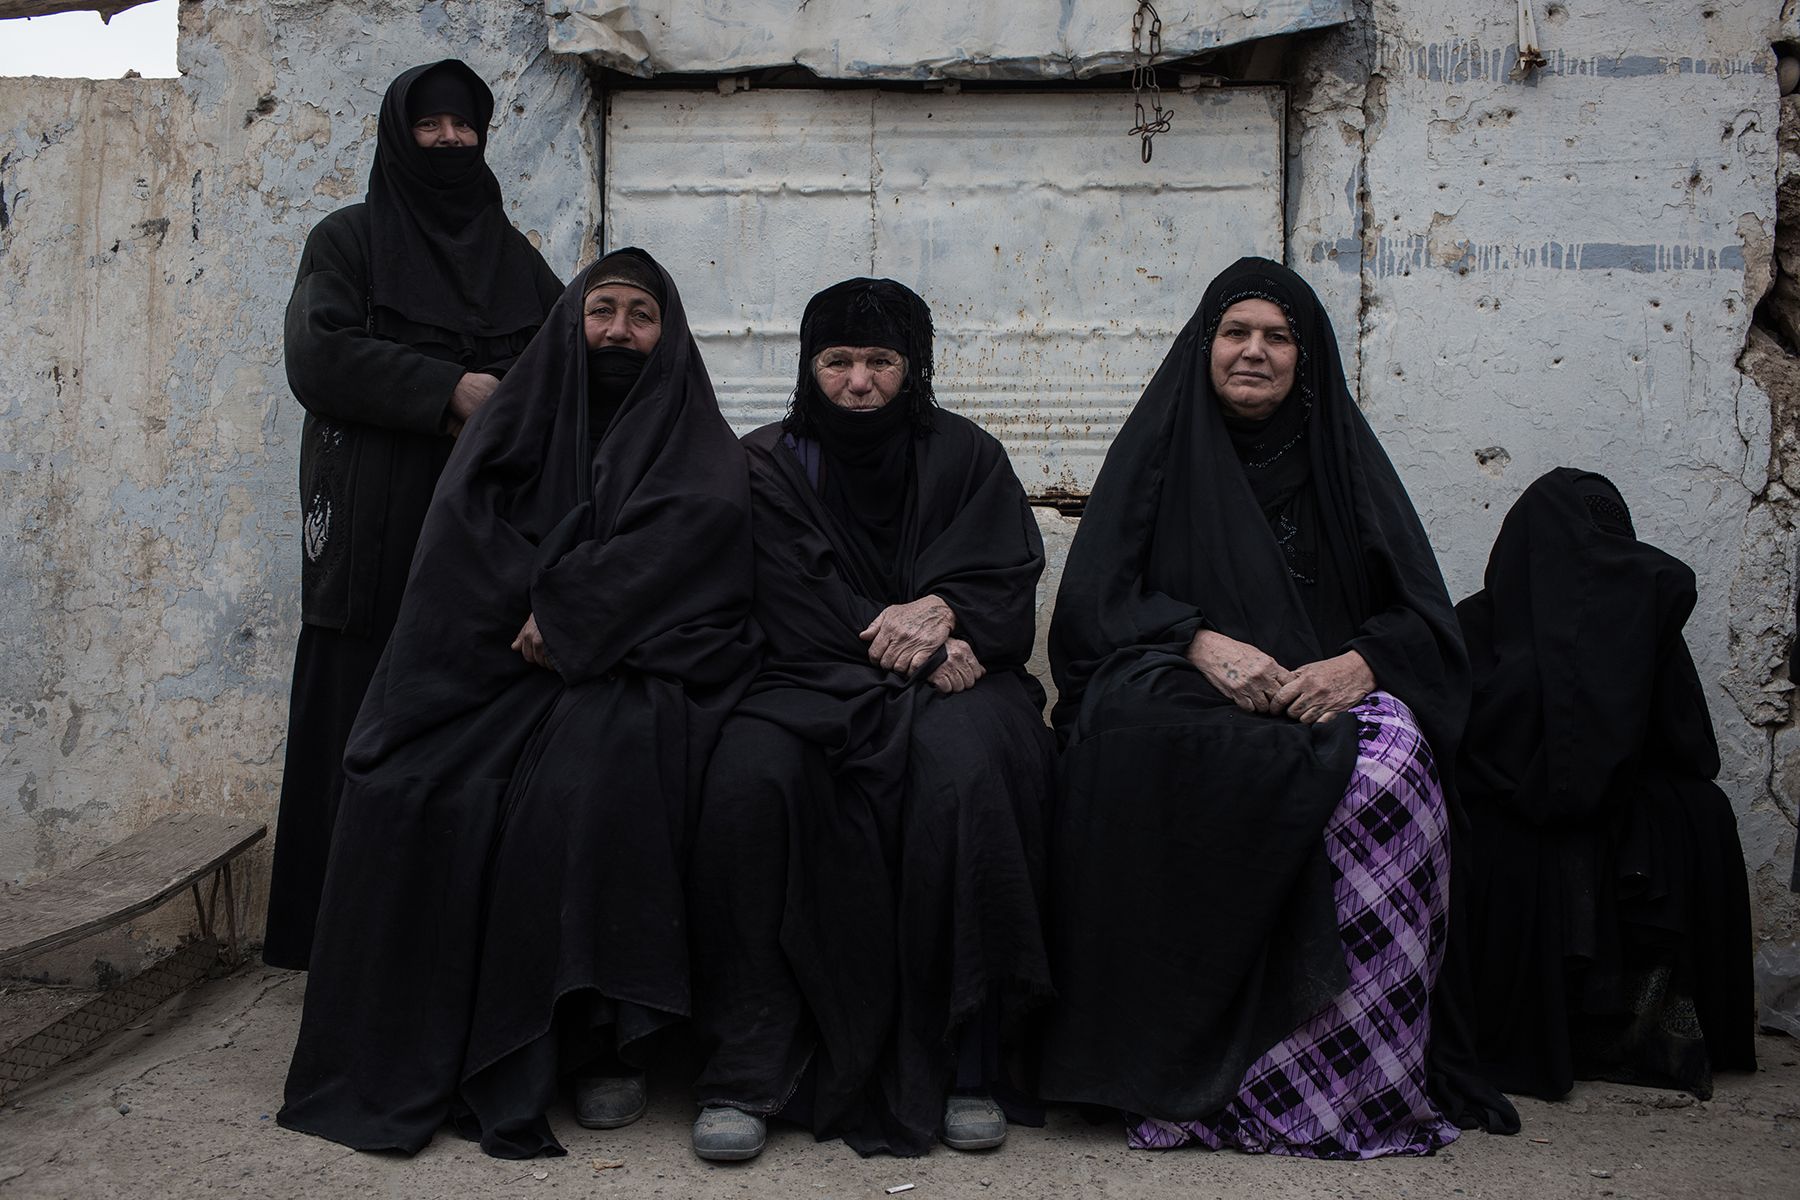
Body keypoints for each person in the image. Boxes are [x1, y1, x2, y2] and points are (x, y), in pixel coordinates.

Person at [278, 248, 757, 1159]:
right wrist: (534, 606)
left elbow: (694, 548)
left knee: (580, 783)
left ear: (670, 334)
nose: (619, 331)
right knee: (402, 787)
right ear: (572, 321)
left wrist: (573, 610)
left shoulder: (692, 438)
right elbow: (462, 549)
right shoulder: (516, 423)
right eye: (603, 310)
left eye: (641, 315)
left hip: (632, 670)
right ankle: (424, 1048)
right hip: (497, 671)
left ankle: (588, 1040)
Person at [1040, 257, 1516, 1159]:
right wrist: (1195, 639)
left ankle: (1343, 1080)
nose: (1253, 352)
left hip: (1316, 690)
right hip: (1190, 686)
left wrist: (1360, 664)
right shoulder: (1157, 451)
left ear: (1307, 356)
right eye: (1235, 333)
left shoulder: (1342, 459)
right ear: (1205, 346)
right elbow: (1093, 608)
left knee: (1390, 765)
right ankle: (1189, 1066)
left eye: (1277, 336)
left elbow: (1422, 617)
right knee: (1134, 735)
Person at [687, 278, 1056, 1161]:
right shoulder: (766, 462)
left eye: (881, 361)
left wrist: (946, 611)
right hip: (807, 677)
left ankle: (966, 1059)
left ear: (913, 367)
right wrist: (922, 647)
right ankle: (749, 1069)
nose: (859, 382)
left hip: (958, 679)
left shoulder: (968, 456)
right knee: (750, 779)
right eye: (839, 361)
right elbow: (789, 599)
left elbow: (1004, 578)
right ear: (809, 367)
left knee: (968, 771)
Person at [262, 59, 563, 970]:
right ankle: (331, 942)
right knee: (354, 713)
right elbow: (318, 356)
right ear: (401, 135)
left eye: (463, 126)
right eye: (428, 126)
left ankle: (447, 938)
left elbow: (564, 371)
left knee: (470, 717)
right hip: (372, 531)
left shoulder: (517, 260)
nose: (447, 141)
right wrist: (447, 388)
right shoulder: (347, 243)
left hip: (480, 536)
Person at [1453, 467, 1756, 1100]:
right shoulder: (1634, 604)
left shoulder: (1481, 626)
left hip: (1552, 827)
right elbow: (1692, 747)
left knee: (1683, 810)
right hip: (1537, 826)